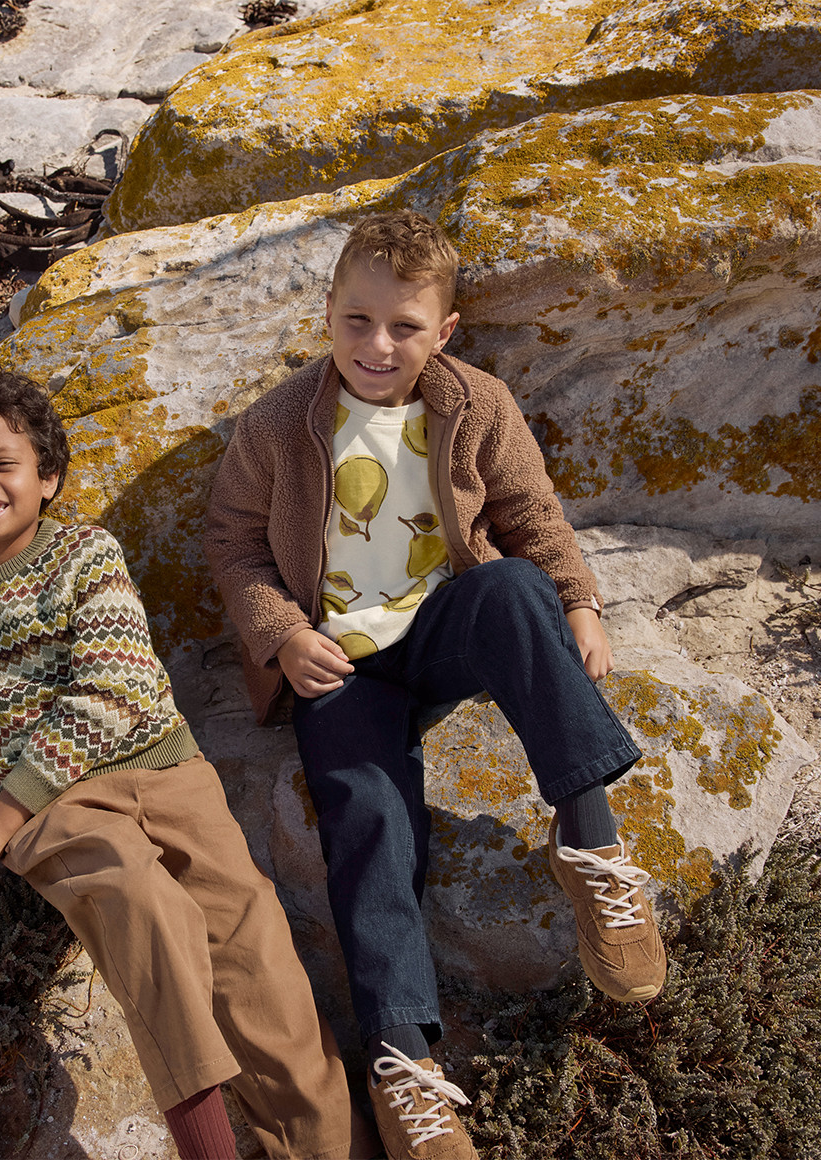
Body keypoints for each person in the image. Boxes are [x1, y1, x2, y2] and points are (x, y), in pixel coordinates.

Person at [204, 210, 667, 1160]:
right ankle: (404, 1063)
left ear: (443, 332)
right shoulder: (279, 425)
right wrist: (283, 637)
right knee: (369, 820)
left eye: (405, 327)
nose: (380, 346)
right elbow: (235, 542)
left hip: (439, 634)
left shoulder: (476, 404)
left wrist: (579, 602)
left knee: (512, 588)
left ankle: (592, 848)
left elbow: (530, 512)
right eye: (359, 321)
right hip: (339, 668)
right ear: (328, 314)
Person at [0, 363, 362, 1160]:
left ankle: (328, 1147)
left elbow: (112, 688)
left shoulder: (86, 553)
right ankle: (208, 1143)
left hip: (165, 773)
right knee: (140, 908)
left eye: (4, 465)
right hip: (56, 811)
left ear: (47, 477)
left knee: (260, 962)